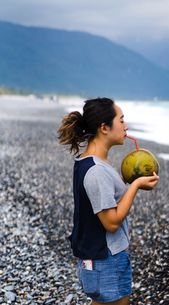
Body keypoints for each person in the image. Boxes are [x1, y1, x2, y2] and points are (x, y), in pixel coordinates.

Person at [57, 97, 159, 305]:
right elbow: (111, 222)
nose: (126, 126)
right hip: (105, 258)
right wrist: (136, 185)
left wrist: (129, 184)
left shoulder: (92, 162)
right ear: (104, 127)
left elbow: (104, 197)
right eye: (121, 120)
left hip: (101, 256)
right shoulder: (96, 171)